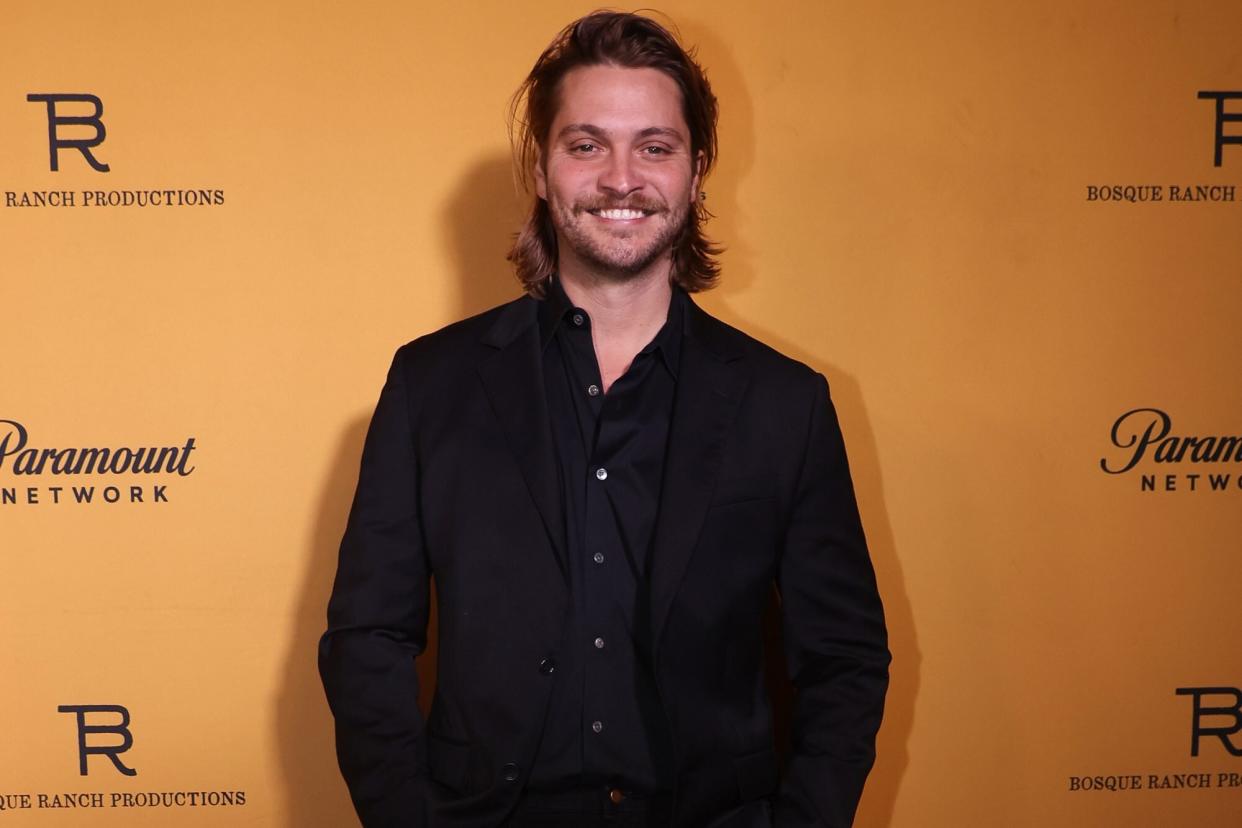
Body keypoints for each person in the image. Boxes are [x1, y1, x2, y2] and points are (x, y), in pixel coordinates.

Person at [319, 11, 889, 828]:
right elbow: (366, 637)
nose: (622, 178)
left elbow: (845, 661)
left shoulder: (783, 403)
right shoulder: (430, 384)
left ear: (696, 172)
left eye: (654, 147)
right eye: (587, 145)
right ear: (544, 171)